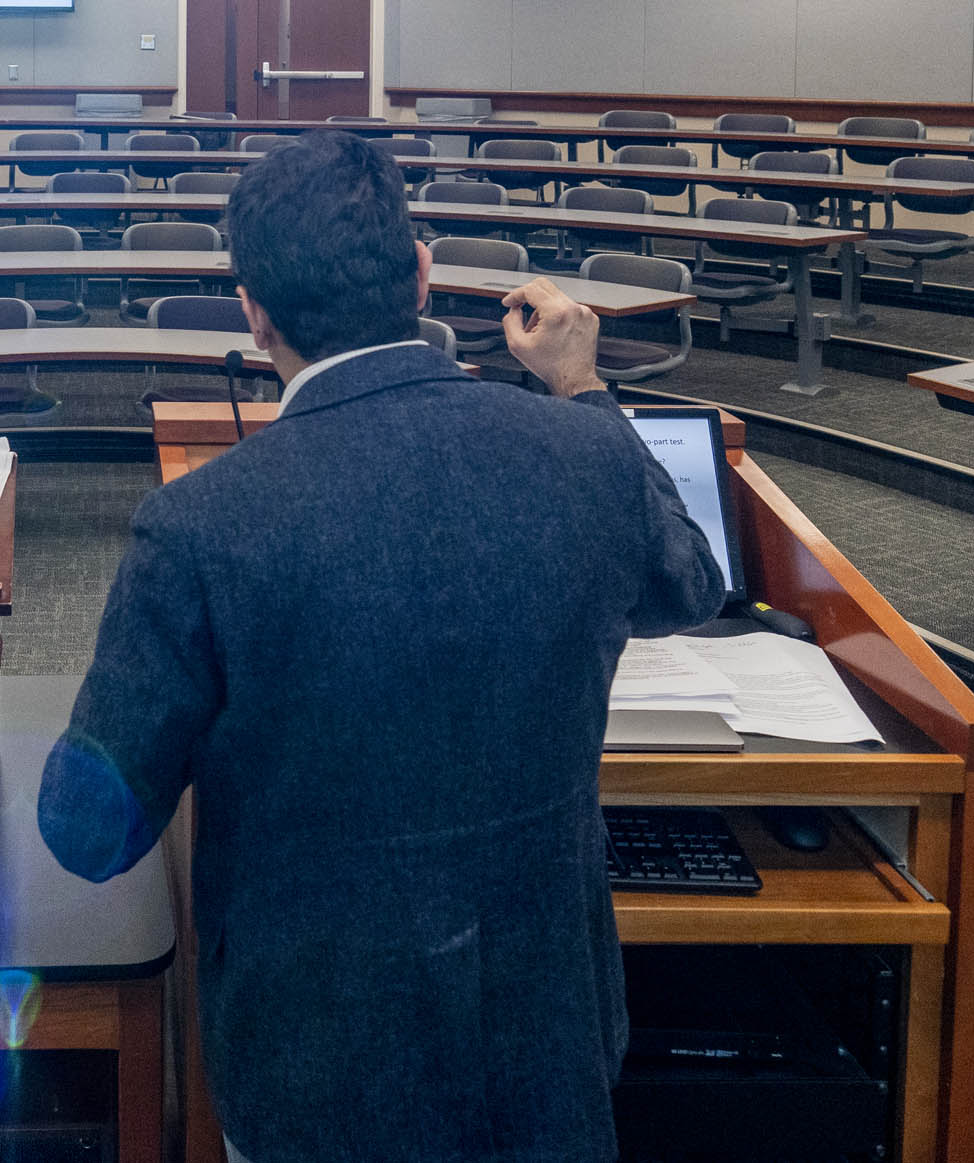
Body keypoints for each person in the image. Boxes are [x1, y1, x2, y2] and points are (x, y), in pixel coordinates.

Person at [37, 129, 726, 1163]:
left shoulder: (202, 524)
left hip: (320, 1075)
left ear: (251, 309)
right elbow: (691, 585)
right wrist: (581, 387)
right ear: (419, 272)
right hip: (546, 1044)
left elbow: (89, 833)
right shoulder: (586, 452)